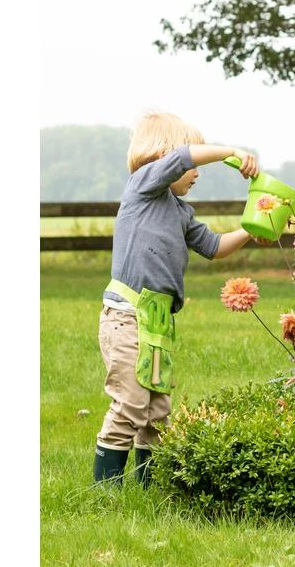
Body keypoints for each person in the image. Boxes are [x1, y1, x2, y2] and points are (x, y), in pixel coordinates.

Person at [92, 111, 259, 486]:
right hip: (127, 315)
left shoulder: (181, 212)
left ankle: (146, 486)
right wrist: (231, 151)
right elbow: (183, 159)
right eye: (192, 161)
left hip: (158, 320)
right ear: (164, 154)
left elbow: (215, 247)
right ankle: (106, 491)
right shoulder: (143, 186)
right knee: (131, 404)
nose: (196, 172)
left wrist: (252, 226)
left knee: (156, 410)